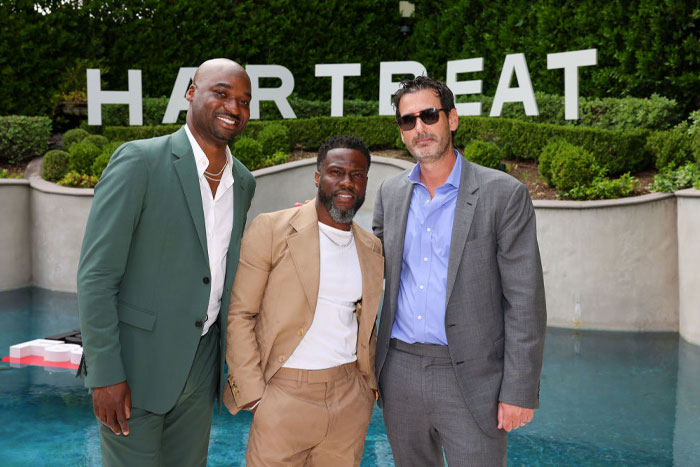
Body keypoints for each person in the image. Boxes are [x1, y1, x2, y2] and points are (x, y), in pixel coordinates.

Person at [77, 58, 256, 466]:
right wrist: (104, 374)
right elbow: (96, 275)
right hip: (136, 368)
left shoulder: (243, 182)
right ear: (191, 94)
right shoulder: (139, 161)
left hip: (202, 366)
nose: (234, 107)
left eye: (244, 101)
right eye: (222, 93)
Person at [372, 76, 547, 466]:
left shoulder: (503, 194)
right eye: (408, 121)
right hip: (399, 370)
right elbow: (368, 263)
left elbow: (524, 300)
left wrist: (518, 389)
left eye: (429, 115)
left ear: (452, 119)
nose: (420, 128)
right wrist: (315, 223)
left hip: (470, 375)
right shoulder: (390, 193)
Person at [225, 135, 384, 466]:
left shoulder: (371, 248)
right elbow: (240, 315)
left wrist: (366, 389)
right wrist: (255, 397)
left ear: (366, 181)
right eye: (336, 172)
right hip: (283, 396)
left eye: (357, 175)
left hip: (348, 399)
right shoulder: (270, 229)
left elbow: (366, 322)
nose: (346, 182)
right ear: (318, 176)